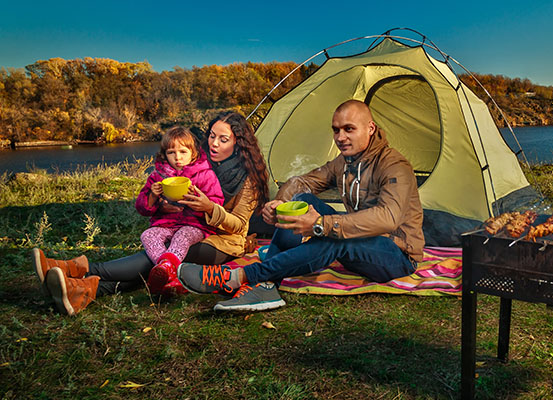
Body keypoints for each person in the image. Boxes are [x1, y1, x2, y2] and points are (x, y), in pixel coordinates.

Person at [178, 99, 424, 311]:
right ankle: (267, 286)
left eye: (349, 129)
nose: (340, 137)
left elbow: (387, 218)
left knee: (332, 237)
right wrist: (281, 203)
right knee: (303, 202)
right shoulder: (345, 161)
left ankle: (239, 276)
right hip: (360, 243)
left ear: (370, 128)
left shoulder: (394, 166)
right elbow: (306, 182)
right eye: (336, 130)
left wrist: (320, 224)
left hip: (396, 255)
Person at [32, 111, 269, 316]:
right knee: (162, 262)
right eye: (211, 136)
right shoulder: (196, 161)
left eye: (223, 139)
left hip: (224, 243)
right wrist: (165, 205)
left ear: (238, 143)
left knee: (158, 258)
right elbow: (159, 198)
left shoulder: (247, 179)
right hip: (189, 229)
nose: (214, 143)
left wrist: (209, 208)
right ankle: (82, 291)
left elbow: (239, 225)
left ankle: (80, 269)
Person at [136, 126, 224, 295]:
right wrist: (153, 196)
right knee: (148, 235)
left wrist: (199, 202)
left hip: (195, 225)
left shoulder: (205, 174)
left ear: (194, 152)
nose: (177, 157)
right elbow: (142, 208)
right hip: (166, 224)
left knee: (183, 235)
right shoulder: (157, 176)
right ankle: (168, 273)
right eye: (171, 152)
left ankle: (166, 270)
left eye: (183, 152)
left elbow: (216, 202)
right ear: (164, 154)